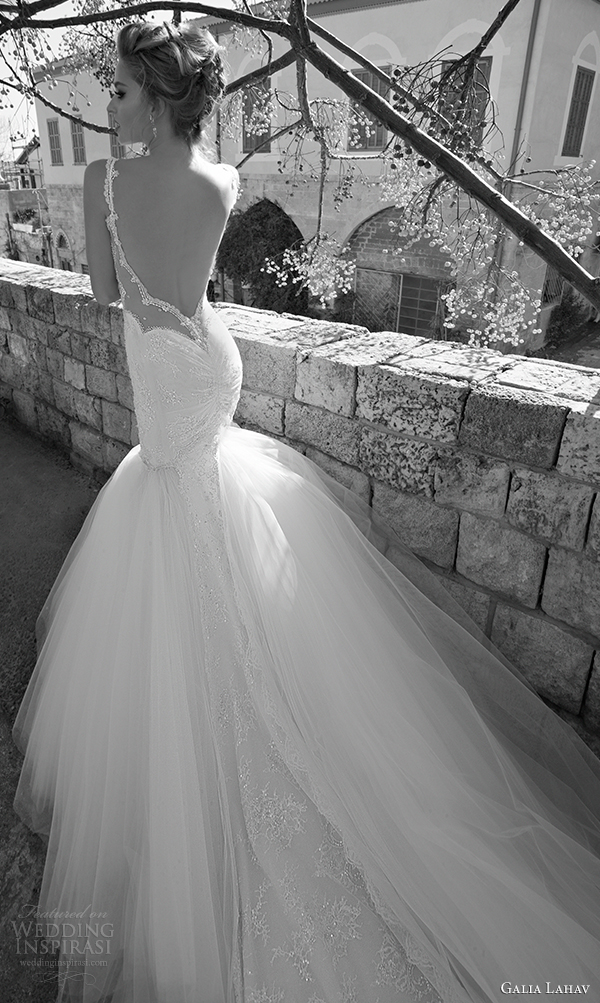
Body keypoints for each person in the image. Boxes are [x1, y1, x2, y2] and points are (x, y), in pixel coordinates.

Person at [12, 20, 600, 1003]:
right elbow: (189, 279)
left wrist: (121, 215)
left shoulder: (106, 184)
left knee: (196, 581)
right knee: (226, 577)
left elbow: (108, 289)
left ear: (154, 95)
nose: (106, 104)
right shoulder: (220, 183)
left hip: (166, 391)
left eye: (116, 89)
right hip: (202, 378)